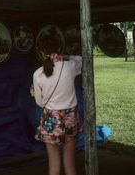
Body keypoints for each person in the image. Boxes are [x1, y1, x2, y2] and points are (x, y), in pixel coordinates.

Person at [33, 37, 82, 175]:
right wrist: (65, 57)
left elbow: (39, 102)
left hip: (50, 119)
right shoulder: (70, 66)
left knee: (54, 165)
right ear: (59, 50)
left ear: (41, 53)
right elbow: (82, 60)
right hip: (70, 117)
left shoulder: (38, 74)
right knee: (70, 164)